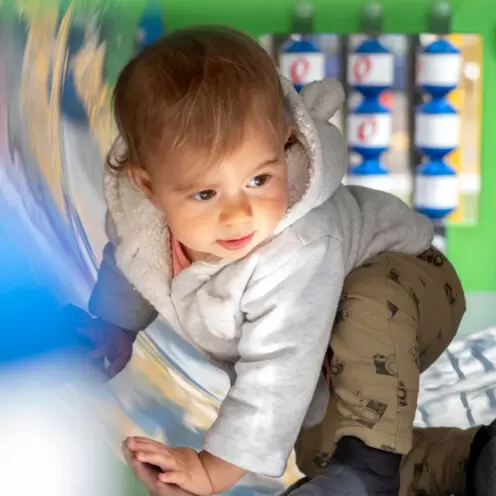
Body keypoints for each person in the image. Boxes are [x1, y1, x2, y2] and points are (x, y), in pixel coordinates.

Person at [73, 25, 474, 495]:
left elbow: (279, 367)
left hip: (409, 286)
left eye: (259, 180)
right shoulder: (140, 217)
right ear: (150, 188)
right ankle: (472, 462)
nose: (239, 214)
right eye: (206, 194)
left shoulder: (298, 246)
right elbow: (133, 264)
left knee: (367, 309)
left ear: (283, 144)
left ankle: (368, 469)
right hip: (325, 345)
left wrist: (212, 471)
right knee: (323, 450)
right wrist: (114, 326)